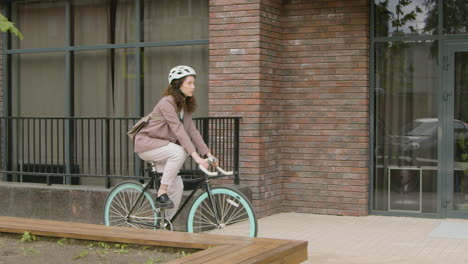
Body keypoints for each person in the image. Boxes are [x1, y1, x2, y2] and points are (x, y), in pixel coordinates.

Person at [134, 65, 217, 219]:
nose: (193, 87)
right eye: (189, 83)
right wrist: (196, 157)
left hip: (162, 146)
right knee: (179, 152)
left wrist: (208, 153)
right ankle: (161, 192)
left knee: (178, 185)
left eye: (194, 83)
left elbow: (192, 130)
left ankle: (166, 224)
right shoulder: (167, 103)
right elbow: (178, 130)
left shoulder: (184, 105)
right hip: (146, 144)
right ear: (178, 84)